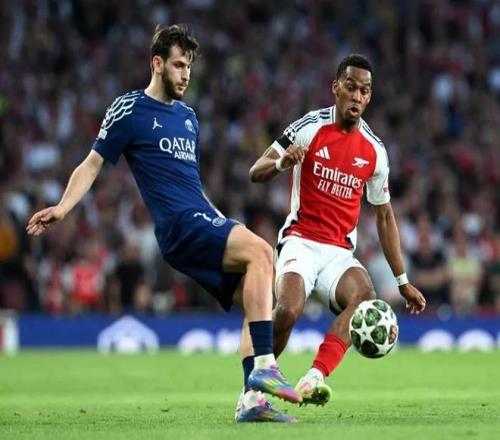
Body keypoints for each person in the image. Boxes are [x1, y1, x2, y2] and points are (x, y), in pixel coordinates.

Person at [26, 24, 301, 423]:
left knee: (257, 300)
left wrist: (219, 218)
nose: (186, 74)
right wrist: (64, 207)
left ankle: (252, 400)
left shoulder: (189, 118)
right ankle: (265, 366)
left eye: (188, 66)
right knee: (261, 251)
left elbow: (190, 184)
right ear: (157, 64)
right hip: (178, 225)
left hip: (200, 217)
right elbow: (92, 163)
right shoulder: (129, 109)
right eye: (178, 65)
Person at [249, 54, 427, 405]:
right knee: (288, 310)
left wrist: (402, 281)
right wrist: (283, 161)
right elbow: (256, 171)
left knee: (365, 297)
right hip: (300, 240)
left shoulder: (375, 151)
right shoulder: (309, 127)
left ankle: (313, 378)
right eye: (351, 87)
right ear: (336, 88)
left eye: (364, 91)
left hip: (338, 253)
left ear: (369, 97)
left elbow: (385, 216)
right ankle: (252, 393)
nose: (357, 96)